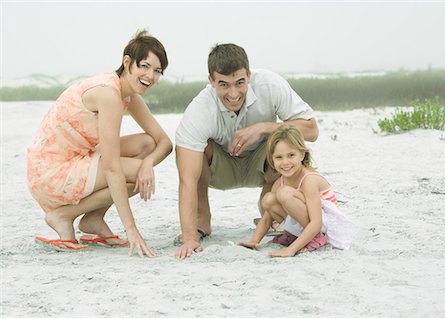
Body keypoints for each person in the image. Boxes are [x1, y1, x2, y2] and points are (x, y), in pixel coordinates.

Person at [28, 30, 172, 257]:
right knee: (134, 173)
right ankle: (64, 215)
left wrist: (148, 163)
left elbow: (163, 142)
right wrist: (132, 230)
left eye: (157, 71)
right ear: (127, 62)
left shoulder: (128, 93)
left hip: (76, 158)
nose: (150, 76)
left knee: (147, 145)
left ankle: (93, 219)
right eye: (144, 66)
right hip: (52, 172)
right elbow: (112, 166)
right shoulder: (109, 95)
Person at [174, 43, 319, 259]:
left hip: (263, 161)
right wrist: (188, 238)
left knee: (282, 139)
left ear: (249, 76)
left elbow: (311, 130)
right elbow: (187, 179)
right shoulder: (199, 110)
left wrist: (265, 127)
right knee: (194, 152)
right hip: (220, 169)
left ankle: (271, 215)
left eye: (240, 82)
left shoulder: (270, 85)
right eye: (223, 84)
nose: (233, 93)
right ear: (211, 81)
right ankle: (202, 221)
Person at [239, 125, 357, 257]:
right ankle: (294, 235)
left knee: (284, 194)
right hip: (309, 222)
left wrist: (291, 250)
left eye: (291, 155)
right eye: (279, 157)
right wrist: (254, 241)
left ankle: (316, 238)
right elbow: (267, 218)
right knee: (268, 199)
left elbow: (316, 222)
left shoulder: (309, 179)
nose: (285, 162)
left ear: (302, 154)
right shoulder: (280, 181)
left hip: (326, 226)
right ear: (272, 159)